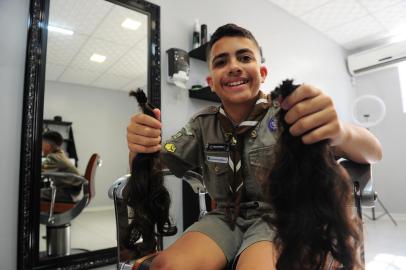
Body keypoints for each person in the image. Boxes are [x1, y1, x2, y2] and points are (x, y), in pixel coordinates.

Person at [126, 23, 382, 270]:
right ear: (211, 82)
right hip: (225, 218)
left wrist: (341, 132)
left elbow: (374, 151)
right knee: (167, 266)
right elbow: (158, 164)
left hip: (279, 218)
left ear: (262, 74)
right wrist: (140, 149)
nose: (234, 67)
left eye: (245, 58)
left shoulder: (289, 113)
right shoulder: (201, 125)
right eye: (221, 61)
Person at [41, 130, 82, 203]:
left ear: (47, 146)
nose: (41, 147)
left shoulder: (54, 157)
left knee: (35, 193)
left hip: (67, 193)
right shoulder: (61, 153)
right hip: (73, 192)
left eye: (42, 144)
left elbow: (39, 171)